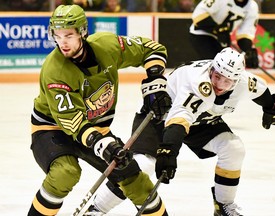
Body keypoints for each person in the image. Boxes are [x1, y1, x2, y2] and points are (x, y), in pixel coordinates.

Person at [27, 4, 171, 216]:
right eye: (57, 36)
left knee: (134, 178)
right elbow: (74, 123)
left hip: (96, 129)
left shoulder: (107, 45)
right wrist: (105, 146)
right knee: (65, 173)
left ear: (82, 32)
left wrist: (156, 81)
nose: (62, 42)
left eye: (68, 35)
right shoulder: (54, 70)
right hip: (52, 129)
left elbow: (152, 49)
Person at [154, 47, 275, 215]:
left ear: (237, 81)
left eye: (227, 81)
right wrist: (168, 151)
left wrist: (272, 107)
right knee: (143, 164)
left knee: (234, 149)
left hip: (200, 123)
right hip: (163, 117)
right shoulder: (197, 84)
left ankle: (223, 205)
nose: (220, 85)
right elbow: (179, 120)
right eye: (217, 77)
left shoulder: (243, 82)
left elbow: (261, 91)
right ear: (211, 69)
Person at [189, 0, 259, 69]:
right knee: (214, 66)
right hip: (201, 33)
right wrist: (217, 30)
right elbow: (198, 15)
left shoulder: (252, 7)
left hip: (223, 38)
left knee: (226, 67)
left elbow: (245, 34)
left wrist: (248, 50)